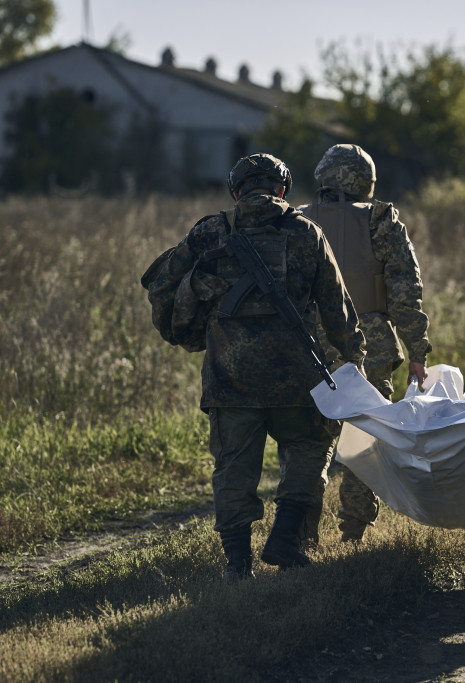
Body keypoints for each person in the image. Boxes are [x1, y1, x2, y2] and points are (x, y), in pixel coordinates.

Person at [145, 153, 365, 581]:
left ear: (235, 191)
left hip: (229, 381)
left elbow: (160, 286)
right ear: (283, 189)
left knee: (233, 469)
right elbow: (338, 310)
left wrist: (186, 324)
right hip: (298, 380)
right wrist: (354, 360)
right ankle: (284, 537)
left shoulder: (209, 232)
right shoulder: (306, 233)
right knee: (309, 450)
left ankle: (237, 564)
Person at [299, 143, 431, 544]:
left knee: (307, 444)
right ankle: (353, 532)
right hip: (370, 350)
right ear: (366, 182)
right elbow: (405, 291)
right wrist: (417, 351)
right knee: (366, 443)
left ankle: (299, 532)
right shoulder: (380, 220)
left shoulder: (298, 220)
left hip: (309, 351)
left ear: (323, 176)